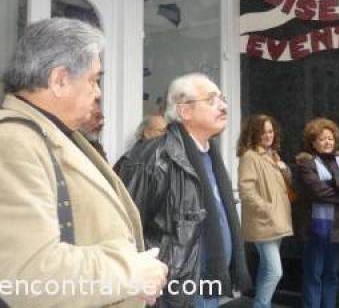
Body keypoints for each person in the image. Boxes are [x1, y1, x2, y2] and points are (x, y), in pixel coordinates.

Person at [0, 18, 168, 308]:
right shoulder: (13, 142)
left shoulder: (57, 133)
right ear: (59, 80)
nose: (99, 92)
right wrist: (133, 272)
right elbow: (28, 275)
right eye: (94, 79)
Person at [120, 73, 251, 308]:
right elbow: (125, 228)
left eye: (222, 98)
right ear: (184, 111)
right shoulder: (152, 158)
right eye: (211, 100)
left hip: (208, 285)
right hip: (174, 291)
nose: (223, 106)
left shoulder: (211, 156)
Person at [295, 118, 339, 308]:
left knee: (332, 275)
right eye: (322, 139)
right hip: (315, 230)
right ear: (313, 142)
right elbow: (318, 192)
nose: (327, 142)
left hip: (338, 230)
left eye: (330, 138)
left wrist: (337, 186)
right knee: (313, 276)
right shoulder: (307, 165)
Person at [237, 114, 293, 308]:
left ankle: (262, 305)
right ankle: (261, 305)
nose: (268, 135)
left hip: (276, 221)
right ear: (254, 134)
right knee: (275, 271)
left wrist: (282, 167)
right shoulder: (250, 157)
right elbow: (246, 190)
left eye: (271, 131)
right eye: (263, 132)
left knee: (266, 268)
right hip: (265, 222)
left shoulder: (270, 155)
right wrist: (267, 209)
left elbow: (286, 186)